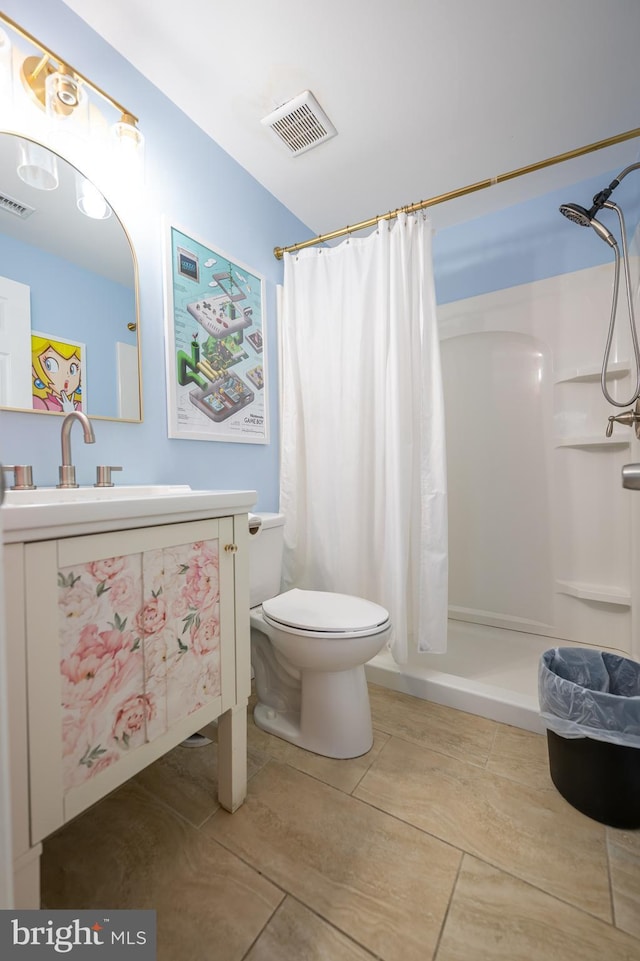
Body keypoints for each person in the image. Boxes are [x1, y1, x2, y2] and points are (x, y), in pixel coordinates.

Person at [32, 335, 83, 412]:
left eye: (73, 369)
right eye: (51, 365)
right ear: (35, 371)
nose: (67, 376)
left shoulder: (79, 406)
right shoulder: (40, 403)